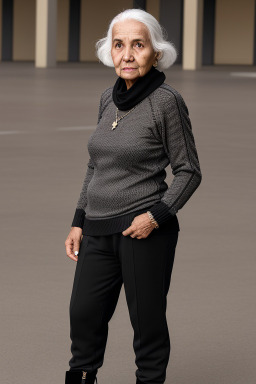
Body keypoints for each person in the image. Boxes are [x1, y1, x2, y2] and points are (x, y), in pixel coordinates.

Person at [64, 8, 202, 384]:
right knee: (84, 315)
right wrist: (79, 221)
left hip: (142, 231)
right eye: (119, 44)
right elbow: (96, 165)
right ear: (110, 51)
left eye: (137, 45)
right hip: (96, 229)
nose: (127, 54)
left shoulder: (166, 102)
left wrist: (156, 216)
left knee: (147, 324)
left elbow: (189, 171)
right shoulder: (106, 99)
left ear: (155, 52)